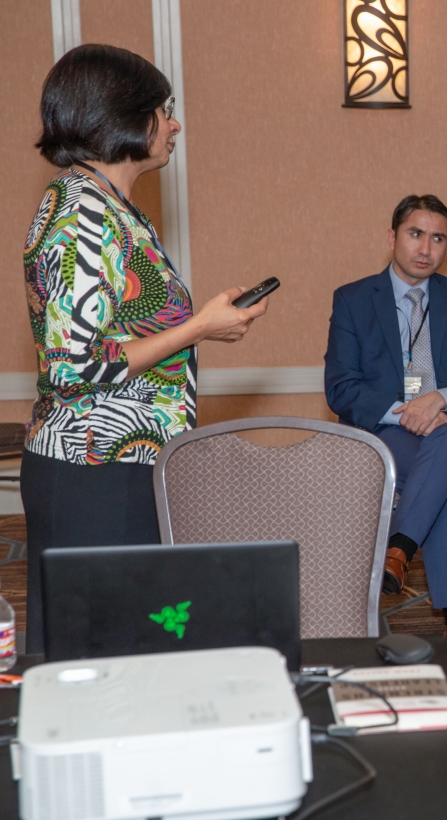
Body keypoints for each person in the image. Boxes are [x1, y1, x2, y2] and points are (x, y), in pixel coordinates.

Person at [21, 44, 268, 652]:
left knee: (138, 648)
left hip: (122, 465)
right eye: (164, 109)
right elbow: (74, 367)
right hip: (92, 470)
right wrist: (200, 327)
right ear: (122, 116)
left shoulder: (112, 209)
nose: (175, 123)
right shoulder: (79, 215)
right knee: (101, 660)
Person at [325, 194, 447, 662]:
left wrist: (439, 400)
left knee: (445, 441)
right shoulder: (354, 299)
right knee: (441, 486)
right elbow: (340, 387)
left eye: (438, 238)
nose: (426, 247)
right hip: (391, 431)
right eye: (415, 234)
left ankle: (398, 550)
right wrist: (407, 411)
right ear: (392, 237)